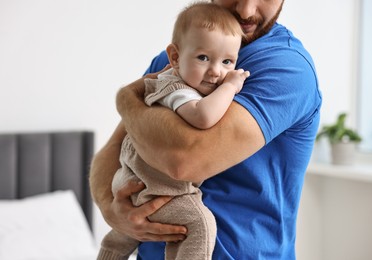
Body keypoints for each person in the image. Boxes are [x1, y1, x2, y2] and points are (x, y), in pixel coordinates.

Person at [89, 0, 323, 259]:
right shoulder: (175, 58)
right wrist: (111, 209)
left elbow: (183, 163)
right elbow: (114, 149)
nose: (246, 10)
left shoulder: (286, 67)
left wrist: (125, 99)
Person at [97, 2, 249, 260]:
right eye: (203, 58)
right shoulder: (177, 89)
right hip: (156, 188)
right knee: (200, 224)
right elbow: (203, 116)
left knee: (122, 236)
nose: (215, 71)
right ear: (175, 57)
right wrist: (230, 87)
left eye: (227, 61)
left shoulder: (176, 81)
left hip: (133, 184)